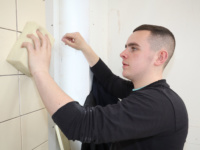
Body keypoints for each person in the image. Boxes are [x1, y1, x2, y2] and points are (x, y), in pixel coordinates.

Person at [22, 24, 188, 150]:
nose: (123, 53)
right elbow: (110, 81)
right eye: (125, 47)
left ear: (160, 57)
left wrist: (40, 70)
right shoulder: (147, 92)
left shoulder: (157, 105)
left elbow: (80, 124)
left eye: (134, 48)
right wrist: (84, 48)